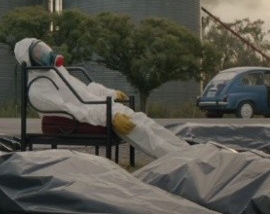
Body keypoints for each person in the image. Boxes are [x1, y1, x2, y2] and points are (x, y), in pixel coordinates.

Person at [15, 38, 188, 159]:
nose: (46, 54)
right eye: (39, 53)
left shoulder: (55, 72)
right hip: (97, 114)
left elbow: (83, 92)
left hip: (103, 108)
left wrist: (110, 94)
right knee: (141, 132)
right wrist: (110, 117)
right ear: (30, 60)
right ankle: (180, 160)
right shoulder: (38, 90)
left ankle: (188, 151)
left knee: (145, 121)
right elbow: (75, 111)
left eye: (43, 49)